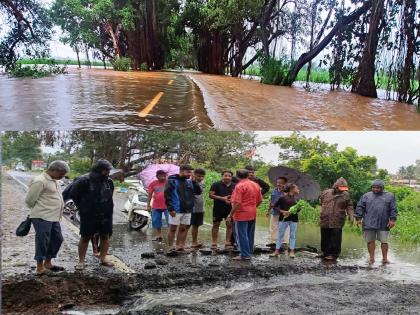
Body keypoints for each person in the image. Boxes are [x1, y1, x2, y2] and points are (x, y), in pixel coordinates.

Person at [25, 160, 70, 275]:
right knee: (42, 241)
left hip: (54, 217)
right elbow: (29, 200)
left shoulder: (54, 180)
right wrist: (41, 209)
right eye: (61, 174)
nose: (62, 177)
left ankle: (48, 263)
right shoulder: (40, 181)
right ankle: (40, 268)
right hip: (42, 217)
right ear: (53, 170)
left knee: (57, 239)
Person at [69, 159, 115, 270]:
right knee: (85, 237)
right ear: (99, 169)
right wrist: (84, 207)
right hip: (89, 214)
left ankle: (103, 258)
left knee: (105, 236)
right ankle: (81, 261)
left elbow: (110, 196)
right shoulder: (84, 180)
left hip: (106, 214)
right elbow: (74, 195)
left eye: (108, 170)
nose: (108, 173)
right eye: (106, 170)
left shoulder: (108, 182)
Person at [355, 179, 398, 265]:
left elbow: (393, 208)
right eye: (373, 187)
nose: (375, 189)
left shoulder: (389, 196)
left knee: (384, 241)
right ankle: (371, 258)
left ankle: (385, 259)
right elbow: (360, 207)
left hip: (383, 222)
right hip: (368, 222)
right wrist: (358, 219)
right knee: (370, 240)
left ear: (382, 188)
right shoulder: (366, 196)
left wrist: (393, 220)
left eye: (378, 188)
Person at [164, 164, 202, 254]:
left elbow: (198, 192)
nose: (190, 174)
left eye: (191, 172)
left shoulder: (190, 182)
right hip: (176, 209)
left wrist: (194, 182)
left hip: (188, 209)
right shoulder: (172, 180)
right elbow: (167, 195)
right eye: (188, 172)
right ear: (181, 171)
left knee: (183, 228)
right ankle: (170, 246)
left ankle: (179, 246)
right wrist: (170, 208)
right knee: (172, 228)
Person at [228, 169, 262, 260]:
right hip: (252, 212)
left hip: (241, 213)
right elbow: (260, 200)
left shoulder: (239, 186)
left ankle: (245, 254)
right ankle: (249, 252)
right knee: (250, 233)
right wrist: (253, 207)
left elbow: (237, 203)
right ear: (247, 175)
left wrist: (230, 214)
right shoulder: (256, 185)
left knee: (241, 234)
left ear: (237, 176)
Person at [319, 178, 354, 261]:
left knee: (336, 238)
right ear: (336, 187)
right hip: (325, 218)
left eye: (344, 189)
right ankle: (325, 253)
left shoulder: (346, 195)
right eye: (341, 189)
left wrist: (351, 216)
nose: (342, 191)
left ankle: (334, 255)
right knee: (324, 236)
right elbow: (321, 201)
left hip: (338, 219)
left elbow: (350, 206)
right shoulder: (326, 193)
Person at [209, 170, 236, 250]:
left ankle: (227, 242)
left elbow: (237, 196)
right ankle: (214, 242)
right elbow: (211, 195)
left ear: (231, 177)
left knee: (229, 225)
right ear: (222, 176)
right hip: (218, 208)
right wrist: (222, 198)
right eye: (225, 175)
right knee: (215, 225)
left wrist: (231, 200)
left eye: (229, 176)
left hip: (230, 209)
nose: (227, 177)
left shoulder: (235, 185)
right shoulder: (216, 184)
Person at [272, 183, 300, 258]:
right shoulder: (282, 198)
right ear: (292, 189)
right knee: (280, 235)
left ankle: (291, 251)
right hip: (283, 219)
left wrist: (295, 210)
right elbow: (274, 206)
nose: (298, 190)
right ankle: (276, 251)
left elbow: (298, 210)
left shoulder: (298, 199)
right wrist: (282, 211)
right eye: (297, 188)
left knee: (292, 235)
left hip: (294, 219)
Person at [146, 170, 169, 242]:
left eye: (164, 175)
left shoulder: (169, 183)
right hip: (156, 205)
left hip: (168, 206)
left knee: (171, 221)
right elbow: (149, 194)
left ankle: (172, 234)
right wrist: (148, 205)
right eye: (161, 175)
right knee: (156, 221)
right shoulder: (153, 183)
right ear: (157, 176)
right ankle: (159, 235)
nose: (163, 177)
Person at [266, 177, 288, 246]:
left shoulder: (287, 192)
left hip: (283, 213)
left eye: (281, 183)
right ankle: (273, 241)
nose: (278, 184)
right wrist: (268, 211)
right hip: (274, 212)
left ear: (285, 184)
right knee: (273, 227)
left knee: (284, 228)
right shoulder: (274, 191)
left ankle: (284, 242)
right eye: (278, 182)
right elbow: (271, 202)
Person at [189, 168, 206, 249]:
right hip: (192, 207)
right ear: (194, 175)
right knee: (186, 226)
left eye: (202, 176)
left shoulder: (202, 182)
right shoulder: (189, 183)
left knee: (196, 225)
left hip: (200, 207)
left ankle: (194, 242)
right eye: (199, 176)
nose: (200, 178)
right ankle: (181, 243)